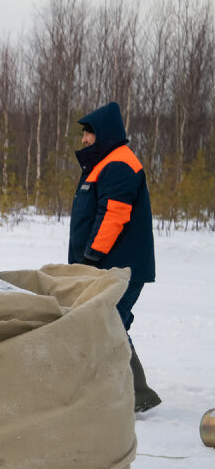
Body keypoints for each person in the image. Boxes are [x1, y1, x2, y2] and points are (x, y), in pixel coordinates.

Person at [69, 102, 161, 412]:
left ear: (103, 134)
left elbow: (114, 214)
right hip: (110, 265)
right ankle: (129, 392)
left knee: (109, 323)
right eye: (83, 133)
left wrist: (92, 256)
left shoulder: (119, 164)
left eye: (89, 134)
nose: (83, 139)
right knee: (110, 323)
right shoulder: (104, 164)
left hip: (119, 266)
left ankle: (135, 394)